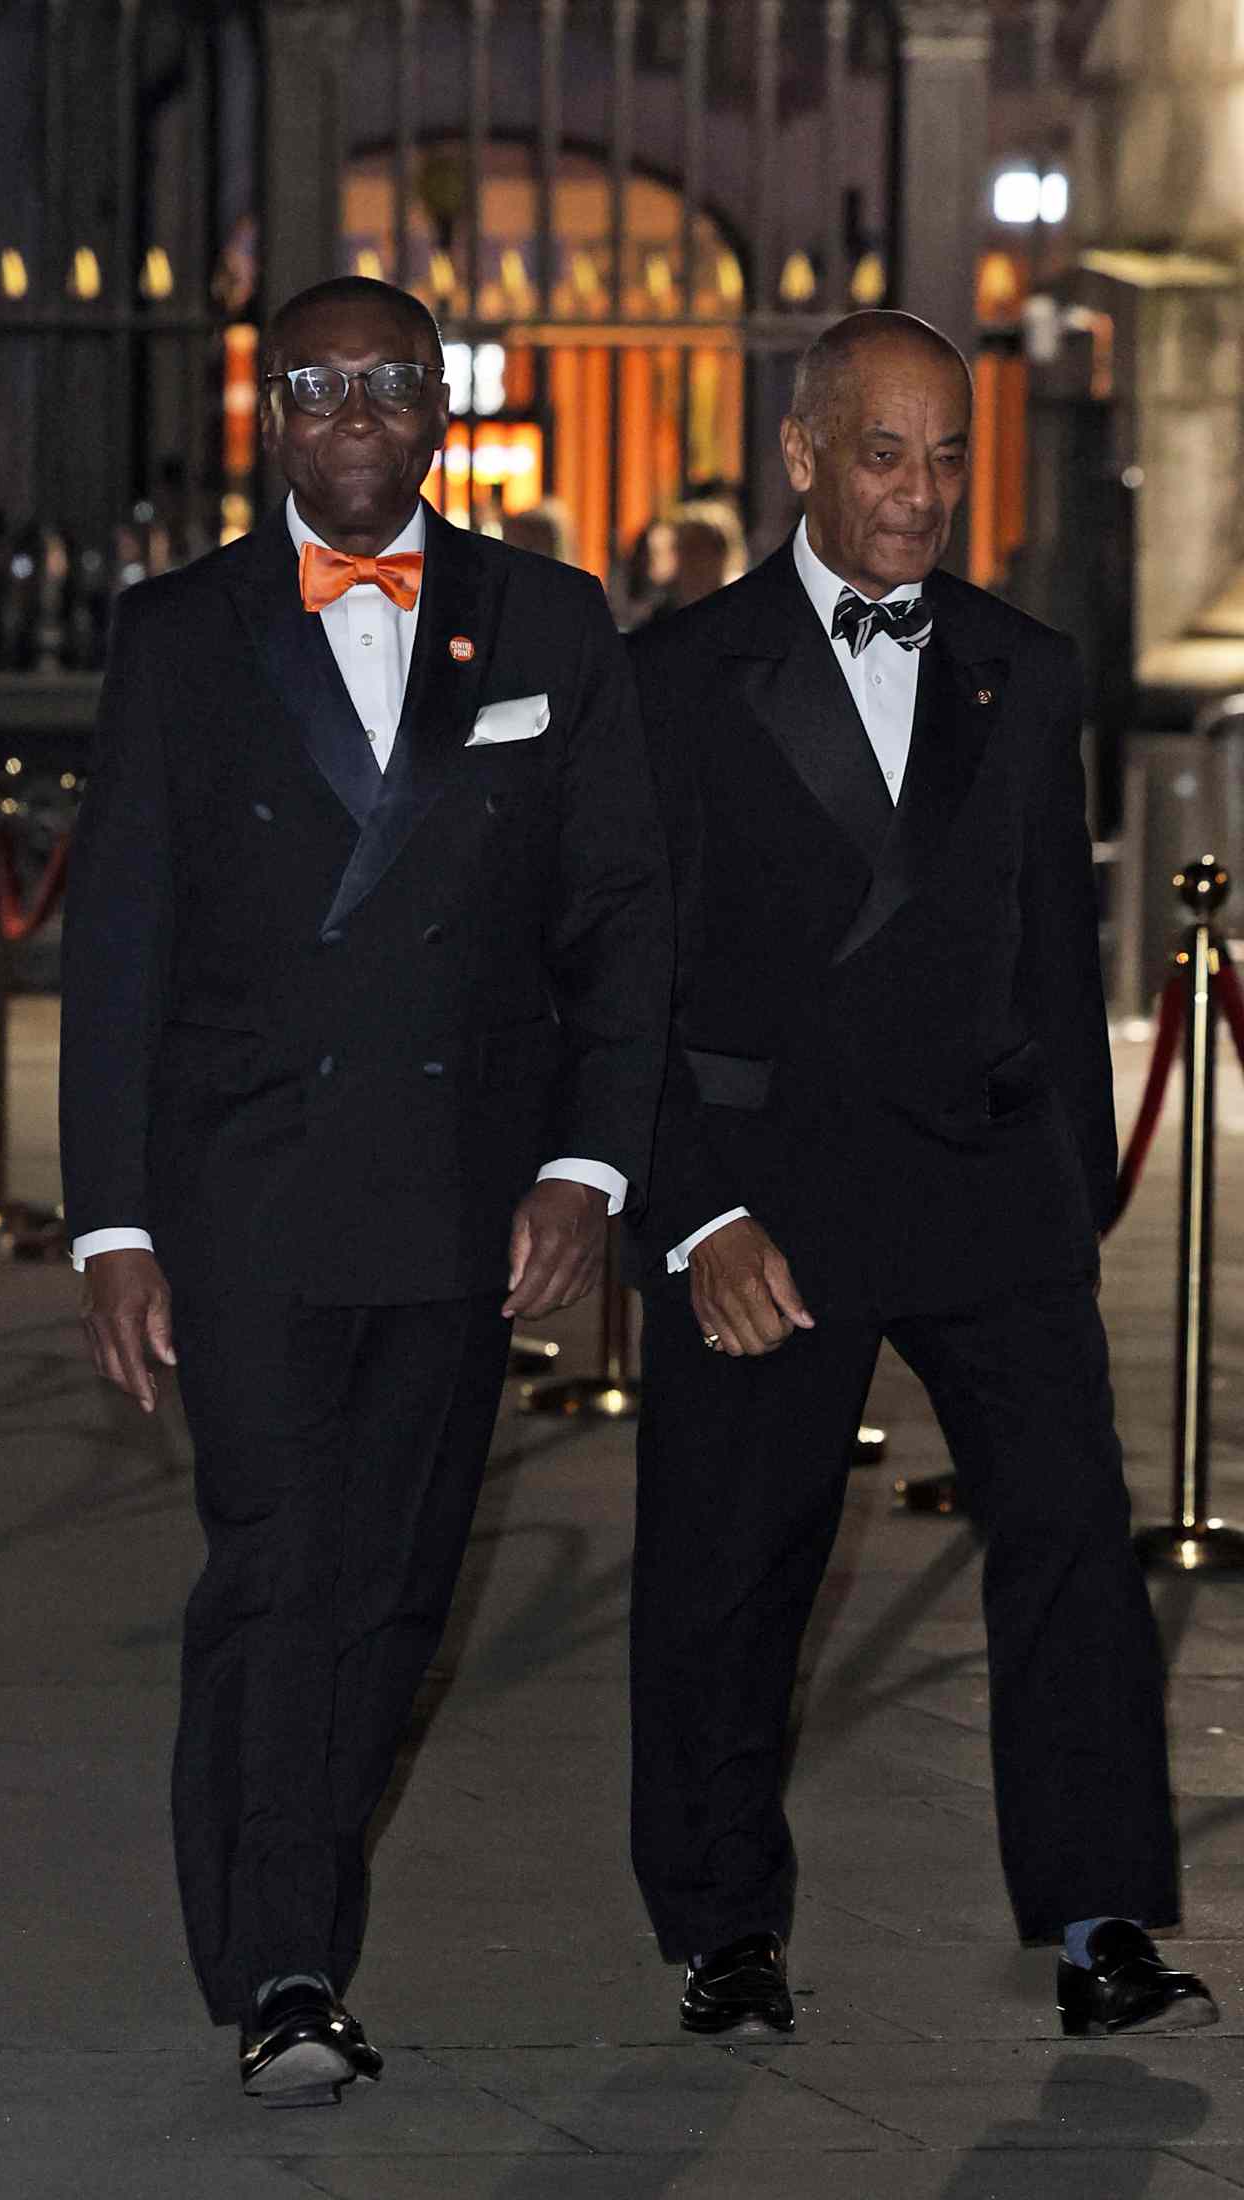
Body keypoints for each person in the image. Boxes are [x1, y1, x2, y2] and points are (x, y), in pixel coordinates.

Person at [59, 275, 672, 2105]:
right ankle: (287, 1958)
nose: (352, 414)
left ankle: (263, 1892)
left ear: (438, 408)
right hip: (244, 1187)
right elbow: (118, 946)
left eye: (388, 385)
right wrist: (110, 1223)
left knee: (397, 1587)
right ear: (268, 413)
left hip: (459, 1192)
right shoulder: (180, 634)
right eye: (315, 384)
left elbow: (623, 915)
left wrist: (587, 1164)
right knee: (287, 1557)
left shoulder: (549, 623)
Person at [626, 309, 1212, 2043]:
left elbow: (1044, 952)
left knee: (1073, 1546)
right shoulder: (676, 675)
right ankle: (723, 1927)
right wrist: (693, 1212)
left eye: (950, 454)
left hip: (981, 1190)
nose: (921, 493)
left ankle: (1102, 1919)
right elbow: (620, 971)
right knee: (731, 1570)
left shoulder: (1023, 669)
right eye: (884, 453)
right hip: (766, 1201)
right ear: (799, 453)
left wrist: (1065, 1194)